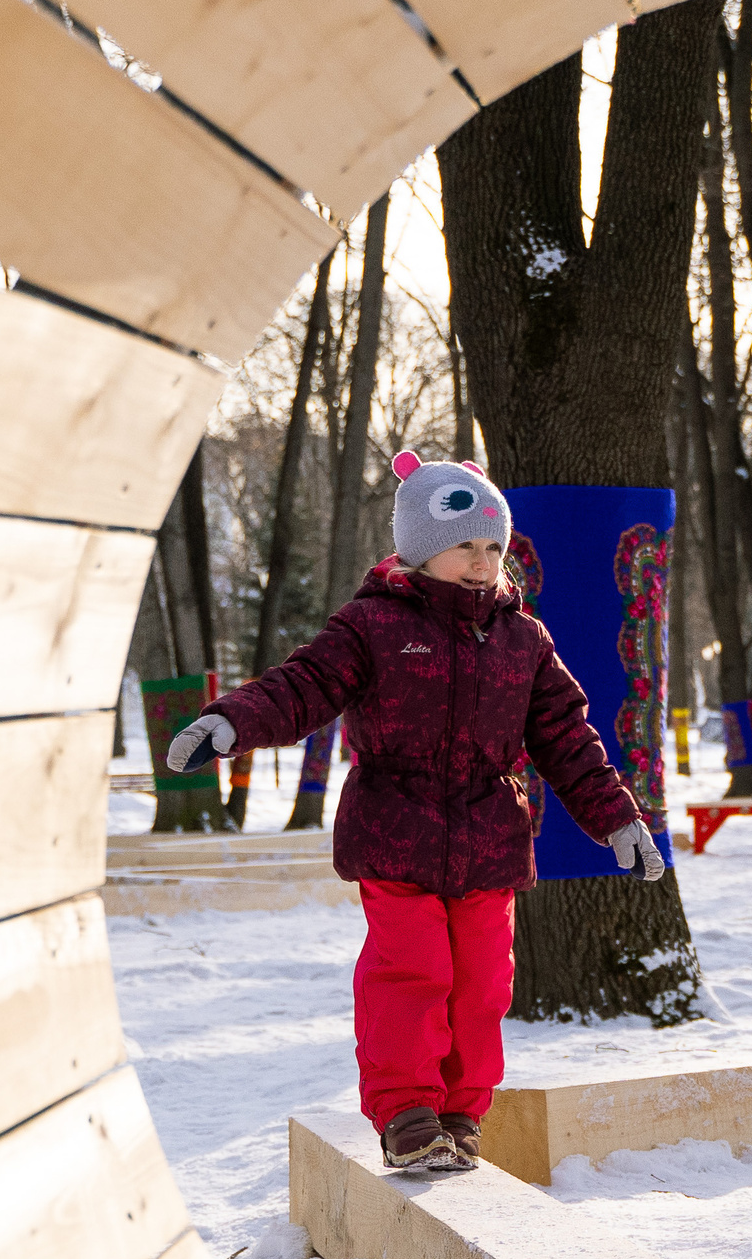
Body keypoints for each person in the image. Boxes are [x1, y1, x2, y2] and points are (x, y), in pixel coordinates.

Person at [165, 451, 666, 1172]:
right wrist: (231, 722)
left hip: (489, 839)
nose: (482, 562)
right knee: (412, 971)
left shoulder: (523, 639)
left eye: (493, 547)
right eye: (465, 545)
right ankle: (406, 1113)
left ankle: (461, 1114)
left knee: (483, 984)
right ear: (421, 549)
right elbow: (305, 684)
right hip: (395, 831)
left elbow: (566, 737)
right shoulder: (372, 624)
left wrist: (617, 817)